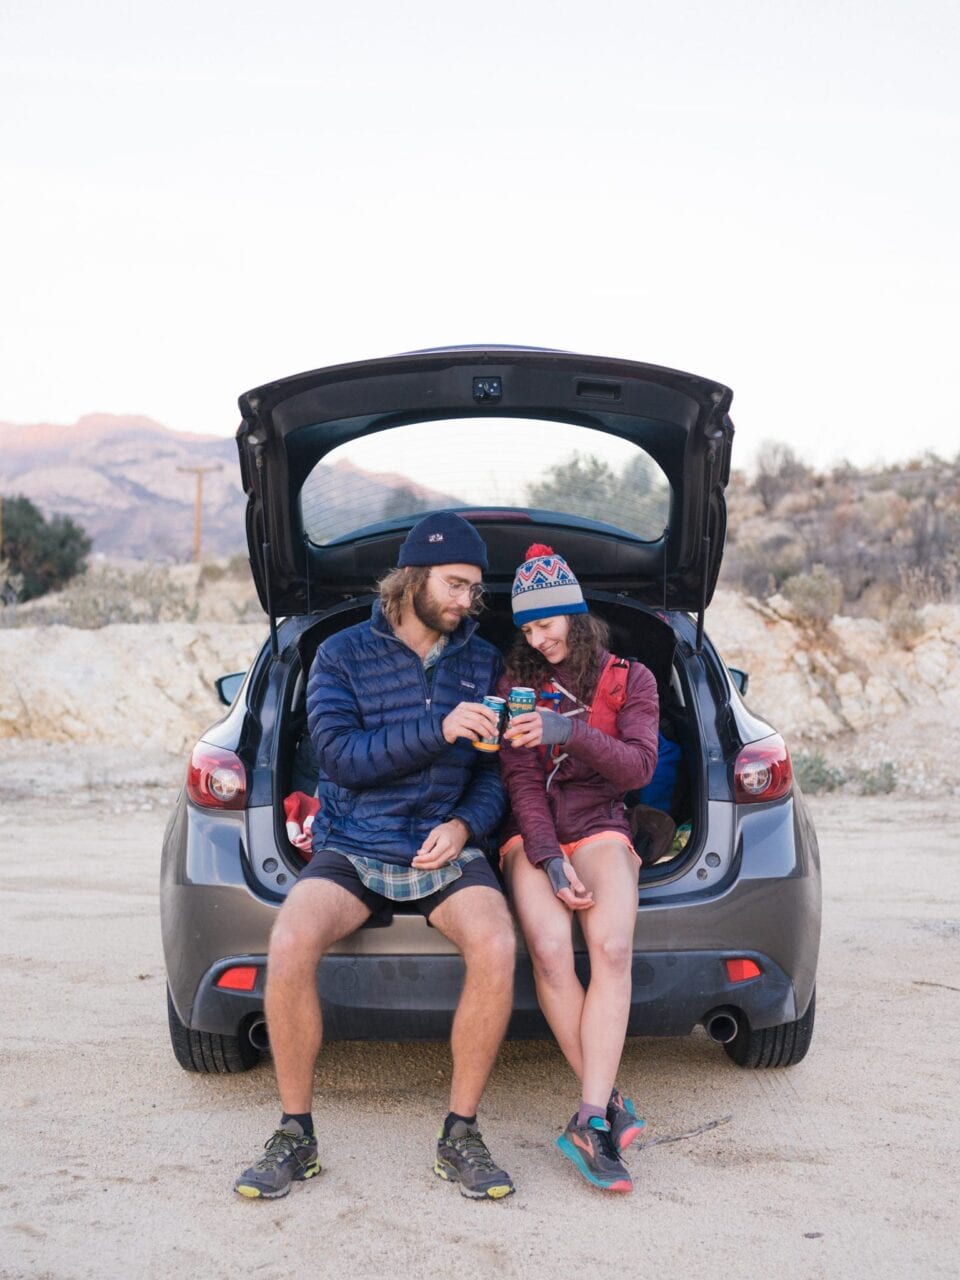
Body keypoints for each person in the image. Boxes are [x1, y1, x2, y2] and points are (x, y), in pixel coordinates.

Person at [234, 512, 517, 1201]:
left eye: (475, 590)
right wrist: (439, 726)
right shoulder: (341, 655)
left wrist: (463, 825)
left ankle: (461, 1135)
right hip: (356, 842)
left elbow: (494, 776)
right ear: (413, 578)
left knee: (497, 942)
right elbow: (341, 759)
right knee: (292, 935)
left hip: (440, 844)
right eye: (455, 585)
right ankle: (295, 1135)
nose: (466, 602)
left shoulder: (483, 661)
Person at [495, 543, 659, 1193]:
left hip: (600, 825)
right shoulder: (516, 685)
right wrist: (544, 858)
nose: (538, 638)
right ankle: (609, 1103)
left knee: (612, 946)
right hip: (532, 834)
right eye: (528, 628)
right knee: (549, 947)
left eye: (547, 623)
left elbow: (639, 768)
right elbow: (519, 780)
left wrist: (570, 732)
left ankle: (589, 1119)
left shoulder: (630, 678)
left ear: (574, 613)